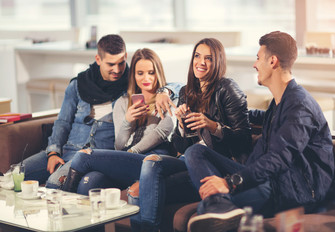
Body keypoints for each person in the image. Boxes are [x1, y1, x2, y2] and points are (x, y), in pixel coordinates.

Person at [186, 31, 335, 232]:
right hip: (269, 178)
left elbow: (279, 159)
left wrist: (230, 182)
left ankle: (218, 206)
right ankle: (220, 205)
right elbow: (252, 115)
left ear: (272, 61)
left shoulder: (300, 106)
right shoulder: (280, 102)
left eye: (258, 58)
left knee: (205, 209)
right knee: (195, 152)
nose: (255, 64)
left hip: (291, 188)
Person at [18, 34, 178, 189]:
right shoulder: (78, 85)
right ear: (98, 59)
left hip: (96, 154)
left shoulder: (130, 86)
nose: (117, 70)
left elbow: (166, 83)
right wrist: (53, 152)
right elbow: (63, 122)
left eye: (121, 63)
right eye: (110, 64)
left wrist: (165, 91)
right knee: (14, 174)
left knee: (55, 183)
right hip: (68, 148)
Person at [128, 38, 252, 232]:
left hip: (220, 166)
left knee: (190, 155)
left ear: (217, 61)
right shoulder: (188, 92)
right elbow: (181, 147)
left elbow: (243, 140)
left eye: (208, 58)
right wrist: (181, 126)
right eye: (197, 56)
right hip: (190, 162)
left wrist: (214, 127)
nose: (201, 62)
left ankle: (220, 205)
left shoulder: (228, 89)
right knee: (150, 165)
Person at [61, 48, 177, 194]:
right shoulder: (123, 102)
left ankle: (63, 202)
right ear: (133, 75)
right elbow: (119, 145)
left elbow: (162, 132)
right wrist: (128, 121)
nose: (146, 78)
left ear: (158, 73)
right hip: (126, 159)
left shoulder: (169, 98)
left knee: (84, 156)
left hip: (150, 158)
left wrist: (131, 151)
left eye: (151, 72)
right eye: (140, 73)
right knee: (89, 183)